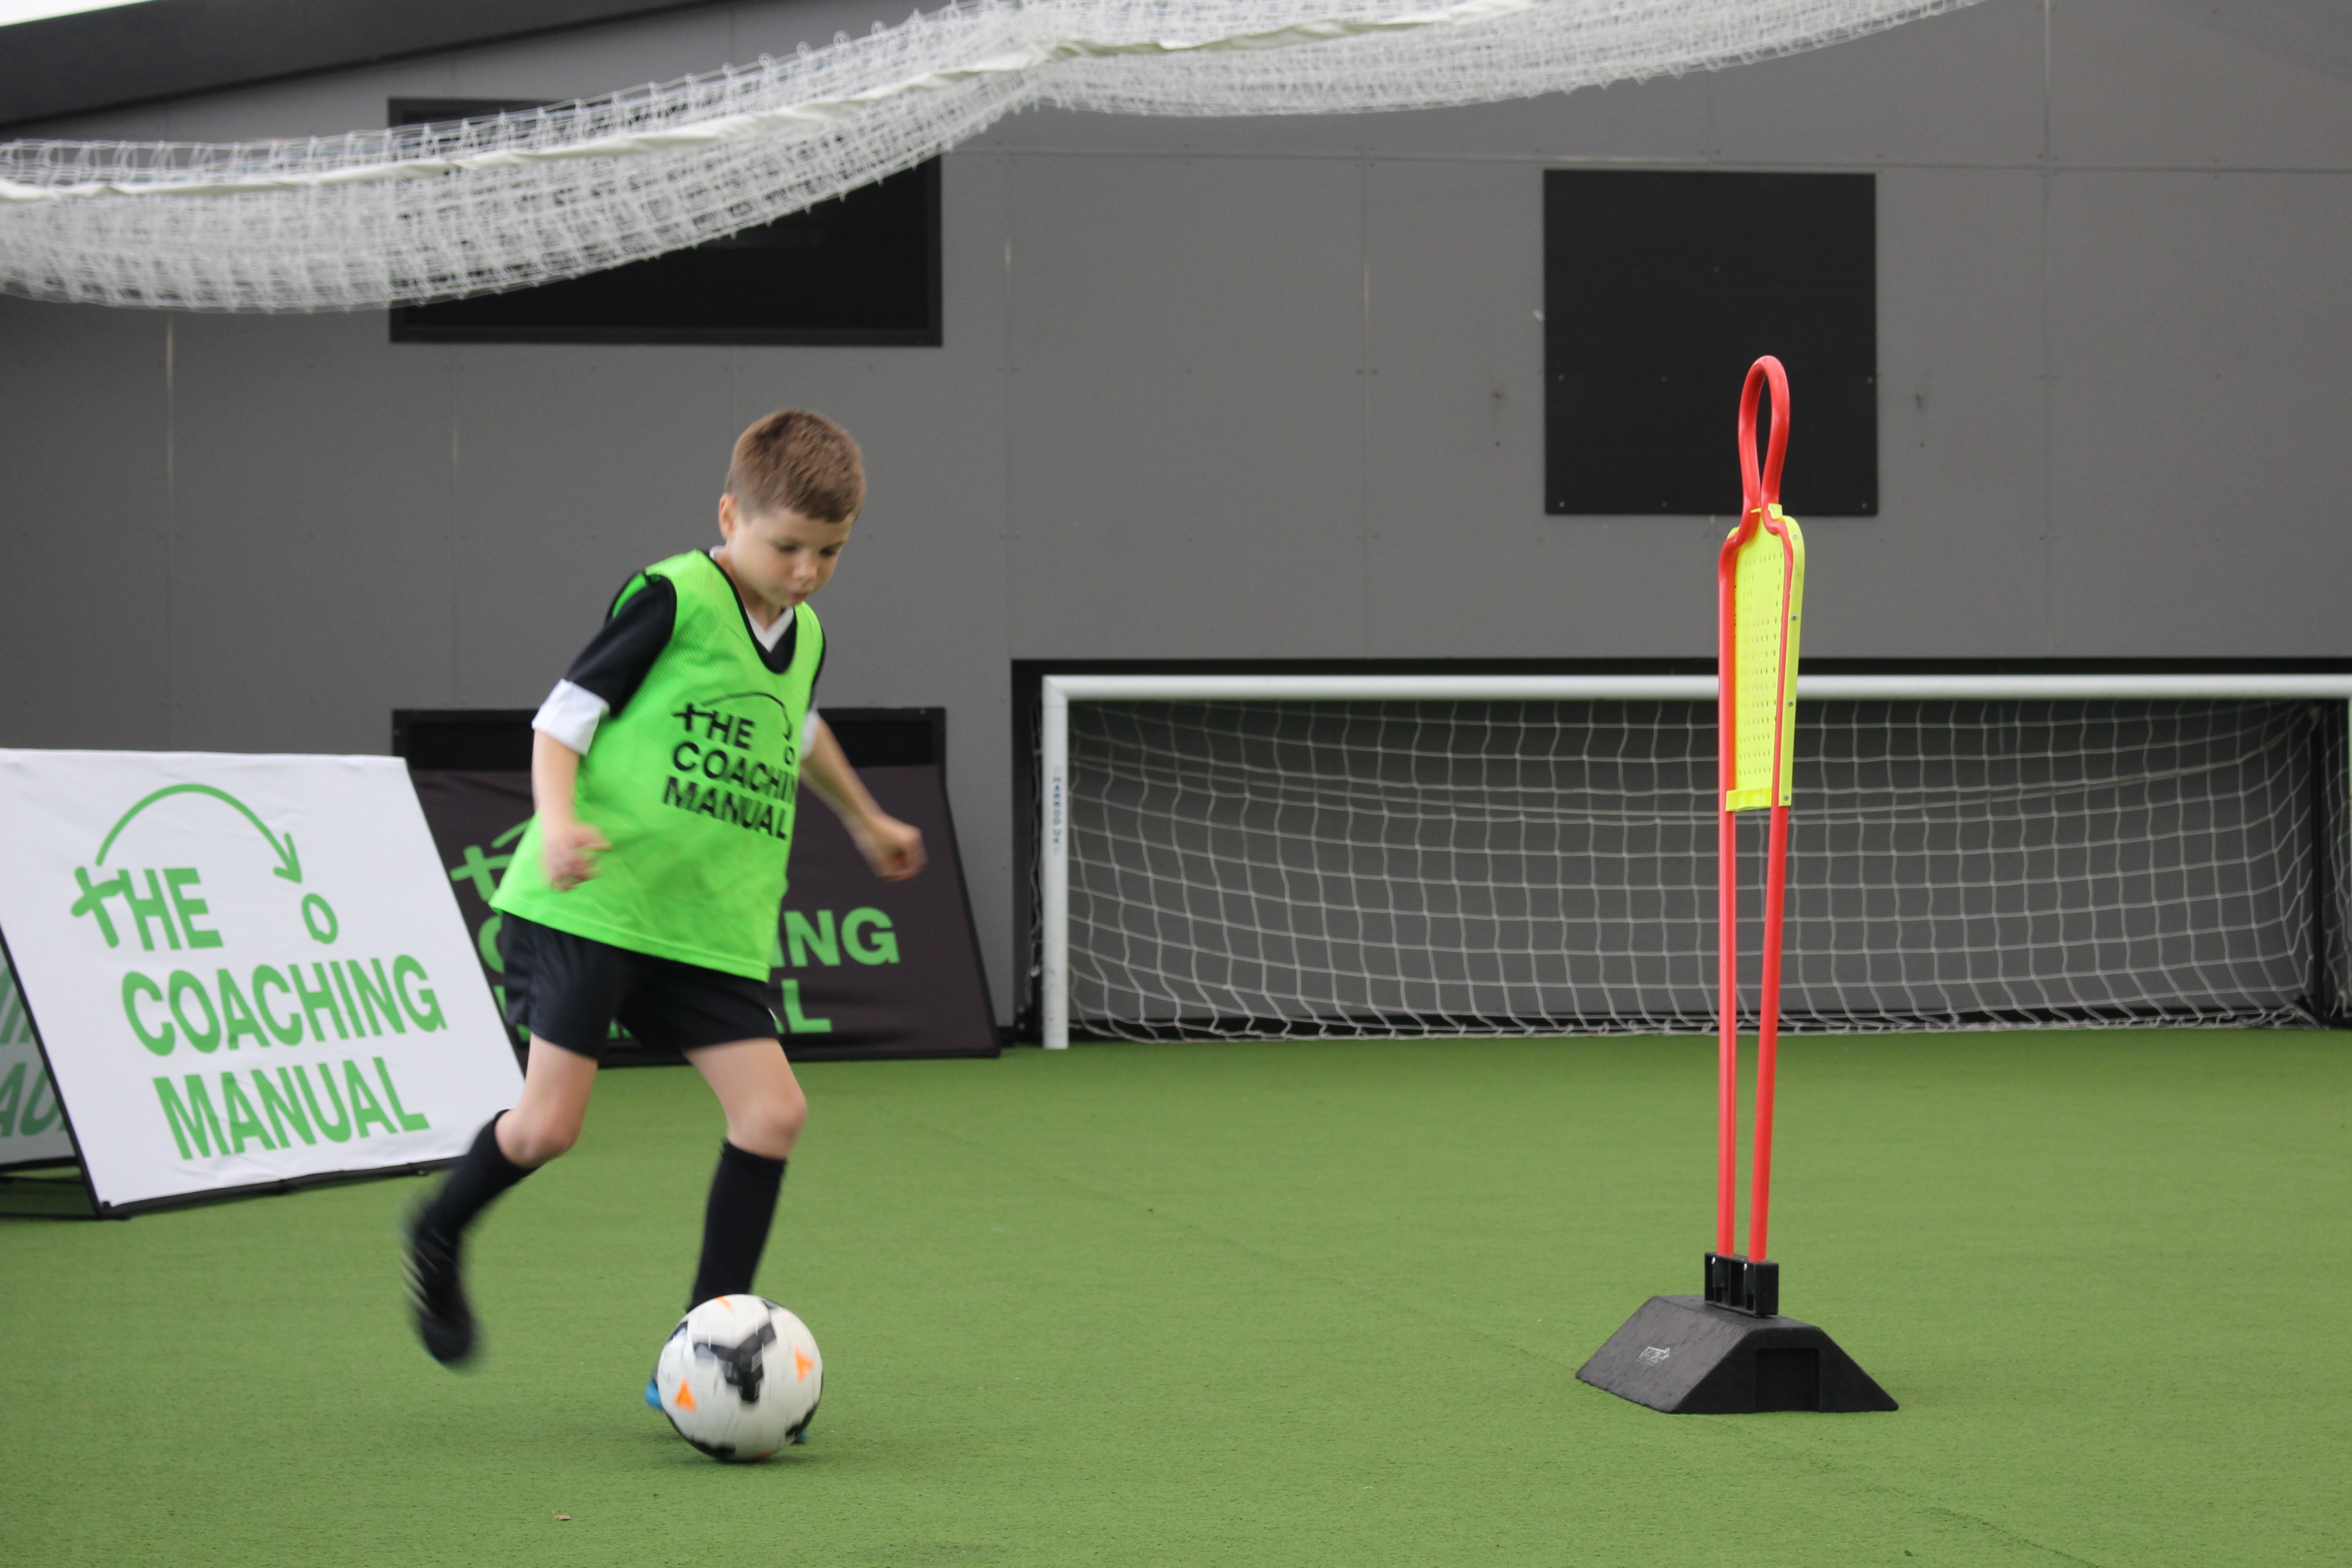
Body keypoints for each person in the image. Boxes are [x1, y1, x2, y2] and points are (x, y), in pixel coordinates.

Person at [403, 409, 925, 1400]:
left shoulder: (805, 632)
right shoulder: (673, 596)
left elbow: (800, 728)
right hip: (593, 906)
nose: (807, 571)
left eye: (830, 553)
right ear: (731, 514)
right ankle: (438, 1224)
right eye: (787, 547)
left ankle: (703, 1349)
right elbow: (564, 720)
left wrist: (865, 818)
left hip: (707, 930)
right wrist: (556, 822)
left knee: (773, 1115)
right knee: (547, 1128)